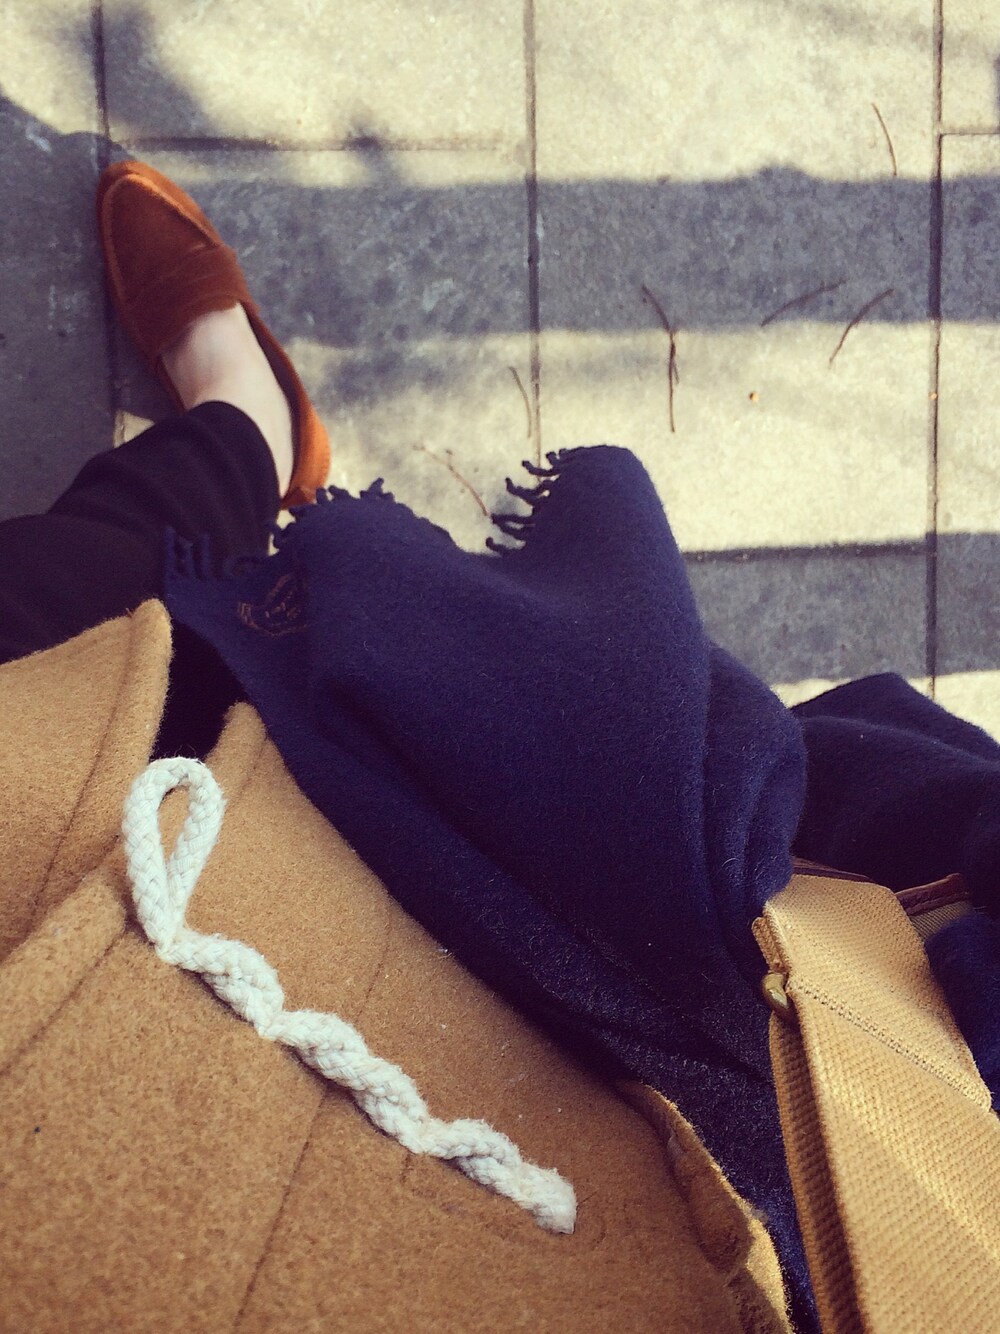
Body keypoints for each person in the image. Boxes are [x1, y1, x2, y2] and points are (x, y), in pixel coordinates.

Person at [0, 160, 997, 1332]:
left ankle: (246, 435)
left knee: (51, 624)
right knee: (108, 598)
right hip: (696, 1020)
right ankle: (244, 425)